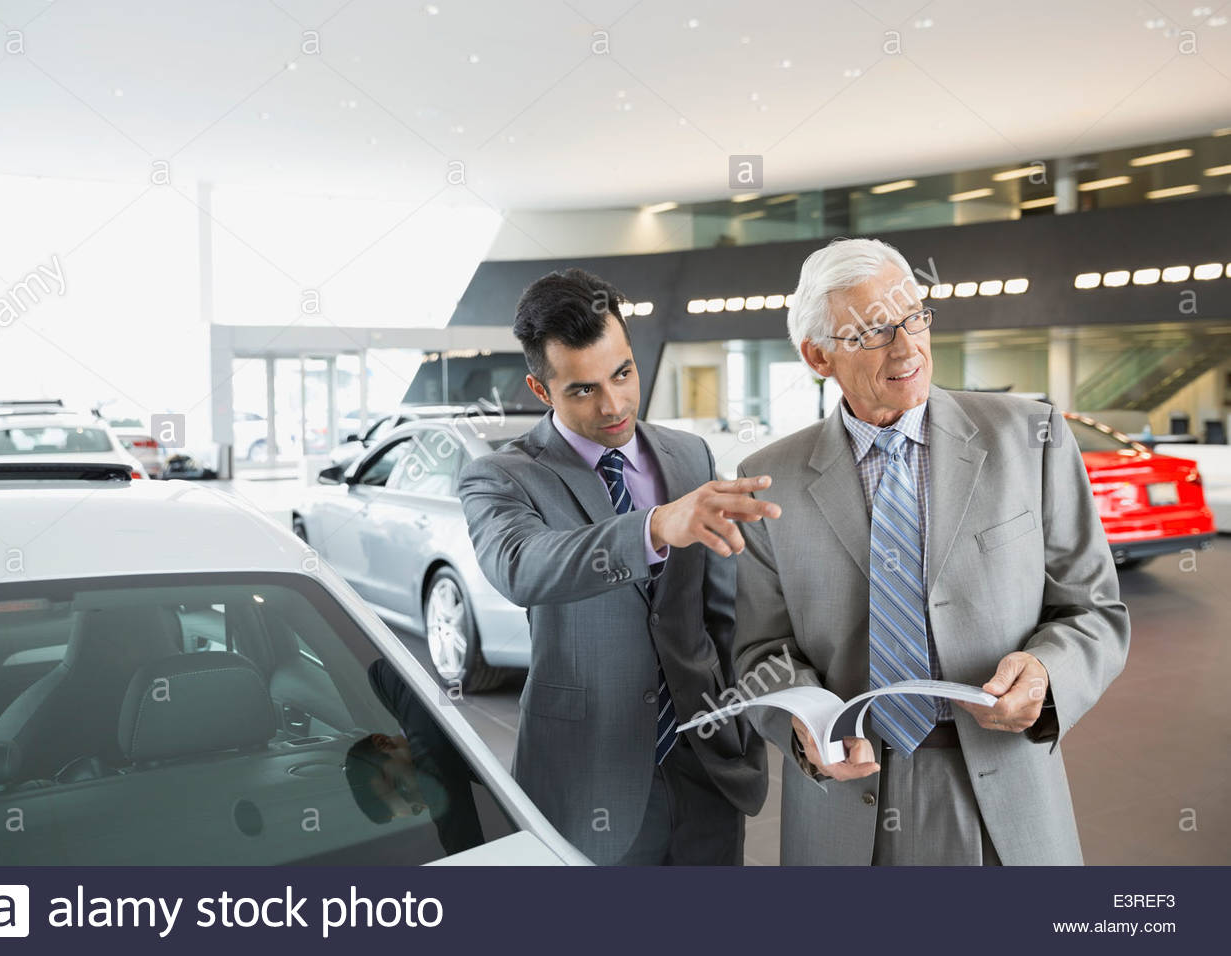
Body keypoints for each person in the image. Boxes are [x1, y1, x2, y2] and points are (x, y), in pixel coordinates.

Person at [732, 237, 1130, 865]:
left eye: (914, 316)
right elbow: (758, 652)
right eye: (873, 332)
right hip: (847, 802)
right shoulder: (767, 478)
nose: (907, 346)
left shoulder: (1032, 437)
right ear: (817, 356)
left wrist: (1050, 672)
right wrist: (802, 728)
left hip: (1004, 788)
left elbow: (1096, 611)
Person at [458, 268, 772, 865]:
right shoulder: (503, 475)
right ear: (540, 388)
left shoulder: (689, 454)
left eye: (623, 373)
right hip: (589, 776)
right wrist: (654, 527)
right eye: (582, 389)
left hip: (706, 763)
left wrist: (744, 722)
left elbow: (722, 615)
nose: (613, 404)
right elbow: (522, 564)